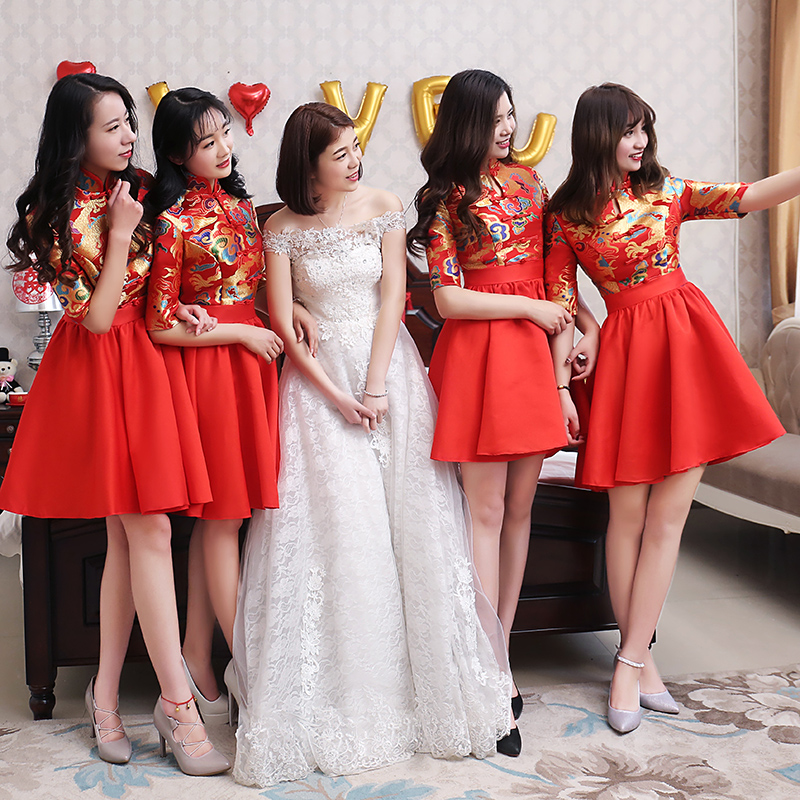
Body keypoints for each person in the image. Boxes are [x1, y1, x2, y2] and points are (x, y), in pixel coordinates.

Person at [232, 102, 512, 787]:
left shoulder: (384, 205)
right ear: (308, 166)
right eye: (340, 154)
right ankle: (353, 696)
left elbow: (393, 299)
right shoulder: (281, 228)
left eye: (357, 147)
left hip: (391, 377)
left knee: (416, 528)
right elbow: (282, 321)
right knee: (341, 534)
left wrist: (377, 386)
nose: (356, 162)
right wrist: (336, 396)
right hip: (317, 390)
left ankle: (442, 689)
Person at [0, 74, 229, 775]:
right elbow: (97, 318)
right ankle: (179, 709)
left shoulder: (138, 189)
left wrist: (180, 306)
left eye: (130, 121)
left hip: (146, 360)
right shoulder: (50, 213)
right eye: (113, 126)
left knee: (130, 537)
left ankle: (105, 696)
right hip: (97, 371)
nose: (131, 136)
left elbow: (150, 287)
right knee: (146, 529)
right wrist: (125, 232)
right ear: (77, 137)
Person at [546, 82, 791, 733]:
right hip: (628, 359)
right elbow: (561, 303)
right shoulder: (564, 215)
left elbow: (747, 197)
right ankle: (640, 659)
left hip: (686, 347)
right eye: (628, 130)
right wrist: (572, 369)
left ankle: (628, 661)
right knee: (626, 516)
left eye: (644, 129)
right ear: (597, 134)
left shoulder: (666, 191)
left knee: (668, 518)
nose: (640, 141)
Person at [406, 69, 599, 733]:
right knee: (483, 513)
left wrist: (561, 378)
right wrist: (529, 309)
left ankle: (501, 650)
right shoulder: (442, 197)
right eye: (495, 119)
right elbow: (446, 300)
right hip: (479, 358)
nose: (509, 129)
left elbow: (559, 282)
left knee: (520, 511)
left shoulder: (529, 183)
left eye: (512, 115)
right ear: (467, 124)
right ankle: (483, 660)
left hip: (533, 361)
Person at [144, 88, 315, 723]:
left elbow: (252, 289)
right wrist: (241, 334)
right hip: (212, 372)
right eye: (205, 142)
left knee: (223, 520)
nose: (222, 149)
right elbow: (160, 324)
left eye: (224, 135)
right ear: (176, 155)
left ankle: (198, 657)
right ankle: (253, 668)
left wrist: (289, 309)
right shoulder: (172, 222)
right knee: (221, 520)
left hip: (251, 368)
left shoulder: (243, 209)